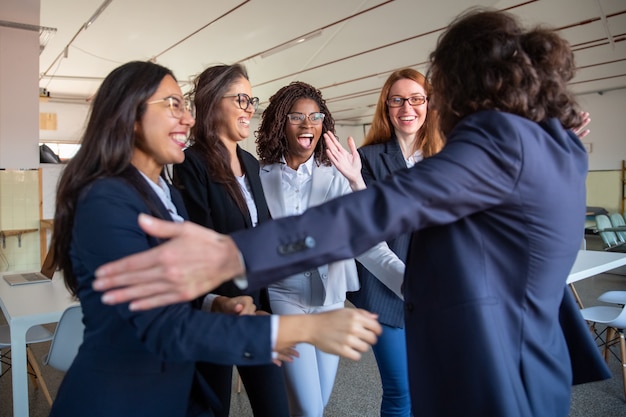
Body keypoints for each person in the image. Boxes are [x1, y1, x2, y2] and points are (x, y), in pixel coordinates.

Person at [92, 9, 611, 417]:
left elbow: (376, 210)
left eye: (436, 88)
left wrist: (233, 253)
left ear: (460, 84)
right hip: (534, 362)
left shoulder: (499, 138)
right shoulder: (558, 145)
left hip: (493, 374)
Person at [49, 60, 382, 417]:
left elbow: (176, 285)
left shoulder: (163, 193)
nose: (188, 119)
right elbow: (158, 324)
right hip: (123, 398)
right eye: (172, 105)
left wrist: (213, 303)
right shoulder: (106, 201)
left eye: (185, 107)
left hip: (175, 381)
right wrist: (301, 328)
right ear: (129, 115)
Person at [254, 81, 405, 417]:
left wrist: (410, 282)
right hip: (285, 296)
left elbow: (367, 242)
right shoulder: (260, 176)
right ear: (280, 122)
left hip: (331, 299)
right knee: (308, 410)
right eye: (297, 117)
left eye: (315, 116)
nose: (308, 125)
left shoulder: (338, 175)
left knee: (317, 404)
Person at [171, 63, 289, 417]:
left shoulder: (252, 164)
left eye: (251, 98)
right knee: (213, 408)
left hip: (257, 309)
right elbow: (200, 246)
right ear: (211, 102)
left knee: (275, 408)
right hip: (218, 310)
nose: (249, 107)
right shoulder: (191, 164)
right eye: (241, 98)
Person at [349, 68, 445, 417]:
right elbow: (365, 232)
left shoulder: (444, 157)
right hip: (383, 294)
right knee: (401, 391)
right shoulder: (367, 159)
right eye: (397, 100)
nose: (407, 107)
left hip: (438, 290)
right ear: (386, 107)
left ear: (429, 104)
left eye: (416, 98)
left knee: (435, 385)